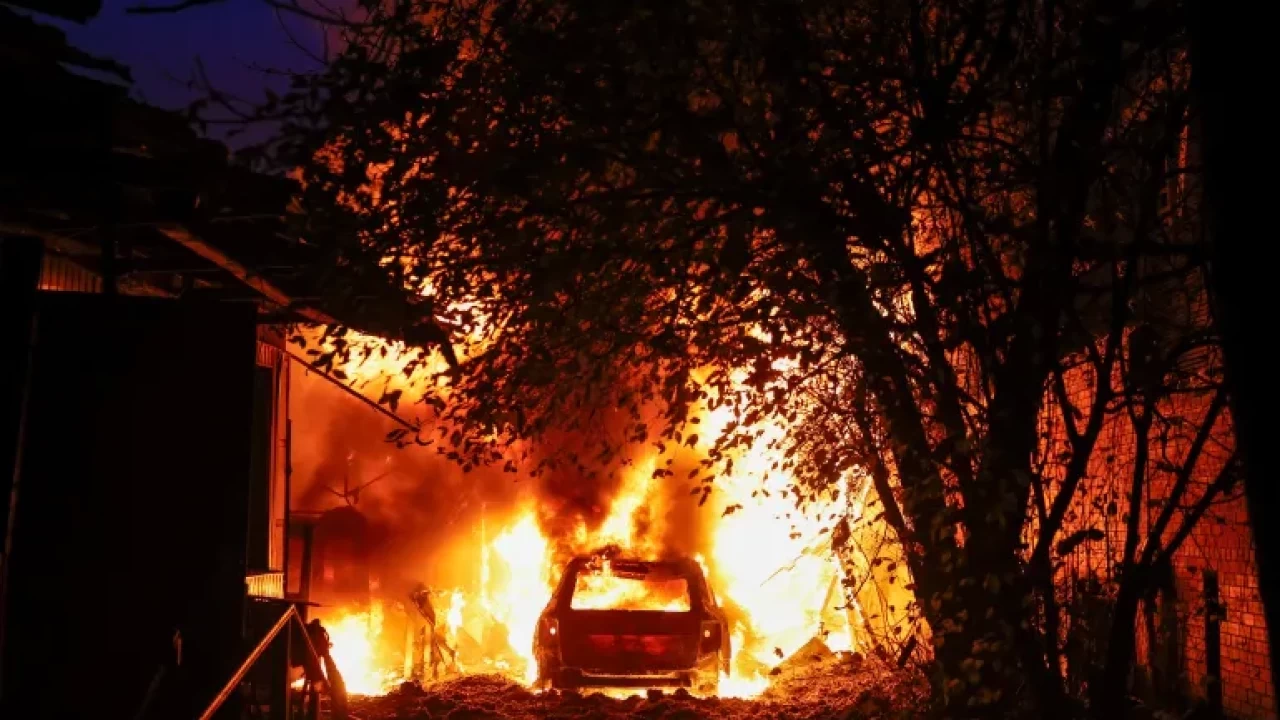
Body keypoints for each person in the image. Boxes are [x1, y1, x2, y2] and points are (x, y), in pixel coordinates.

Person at [407, 583, 457, 683]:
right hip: (433, 626)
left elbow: (432, 596)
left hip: (436, 625)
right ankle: (435, 673)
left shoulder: (428, 599)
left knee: (437, 645)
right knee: (435, 647)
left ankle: (441, 669)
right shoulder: (422, 602)